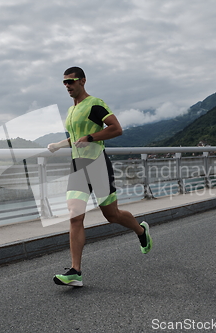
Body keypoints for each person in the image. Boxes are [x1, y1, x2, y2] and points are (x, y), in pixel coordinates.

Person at [47, 66, 153, 287]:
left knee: (112, 215)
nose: (67, 85)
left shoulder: (95, 104)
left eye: (71, 81)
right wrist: (59, 144)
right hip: (78, 167)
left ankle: (141, 230)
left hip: (97, 165)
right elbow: (77, 137)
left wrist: (91, 137)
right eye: (64, 82)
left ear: (82, 81)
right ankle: (75, 271)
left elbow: (116, 129)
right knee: (75, 216)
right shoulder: (70, 110)